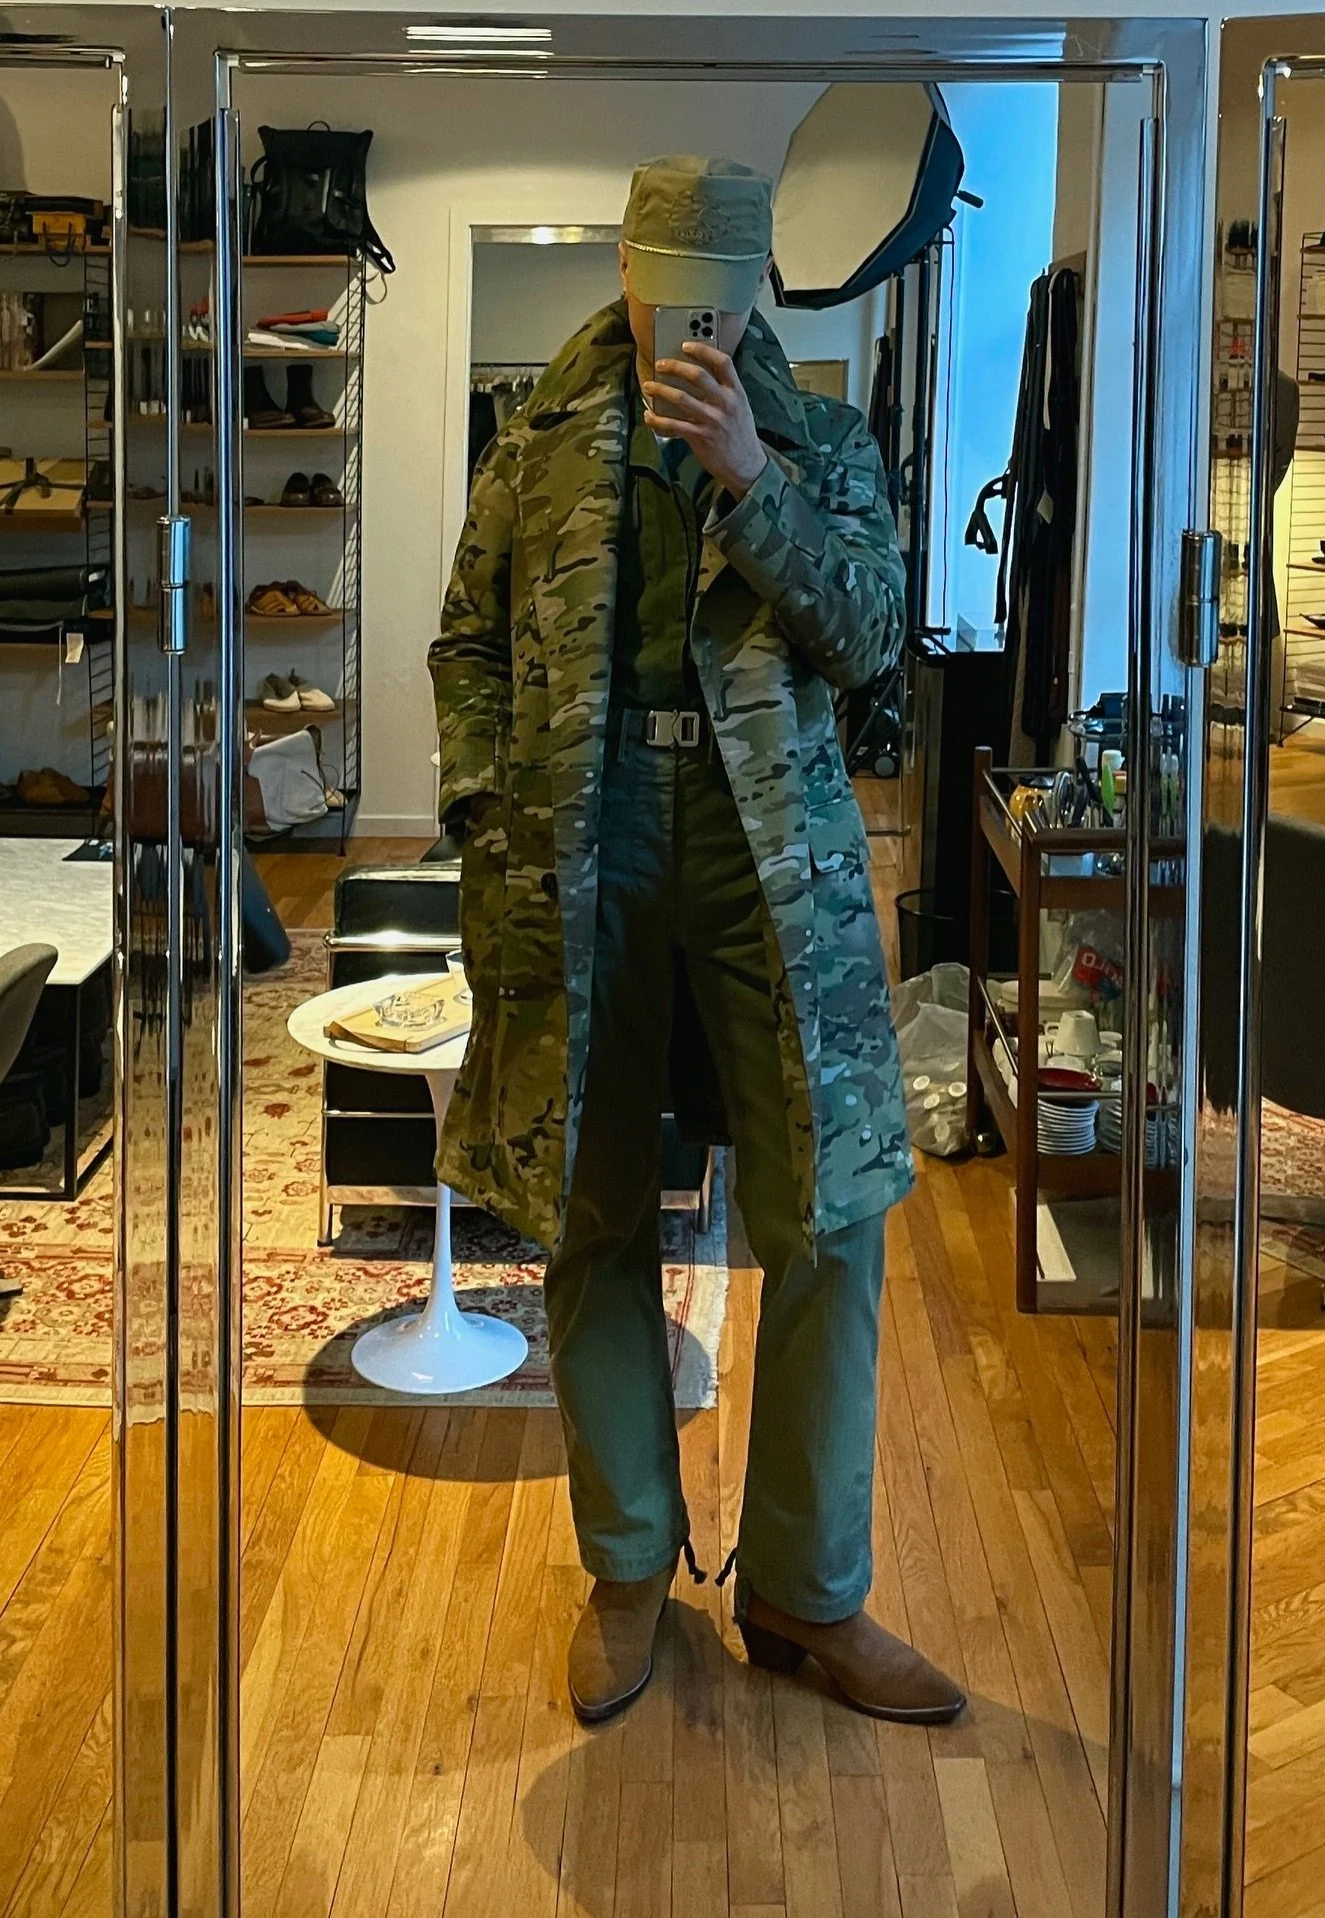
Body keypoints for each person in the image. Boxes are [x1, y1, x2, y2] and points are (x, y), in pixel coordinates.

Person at [429, 155, 965, 1729]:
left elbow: (872, 642)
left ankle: (808, 1590)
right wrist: (481, 808)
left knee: (831, 1211)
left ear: (757, 293)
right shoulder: (535, 434)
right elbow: (467, 638)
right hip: (579, 840)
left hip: (769, 853)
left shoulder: (822, 440)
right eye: (670, 294)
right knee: (590, 1206)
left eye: (722, 302)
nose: (695, 327)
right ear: (624, 270)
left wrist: (752, 480)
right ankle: (625, 1569)